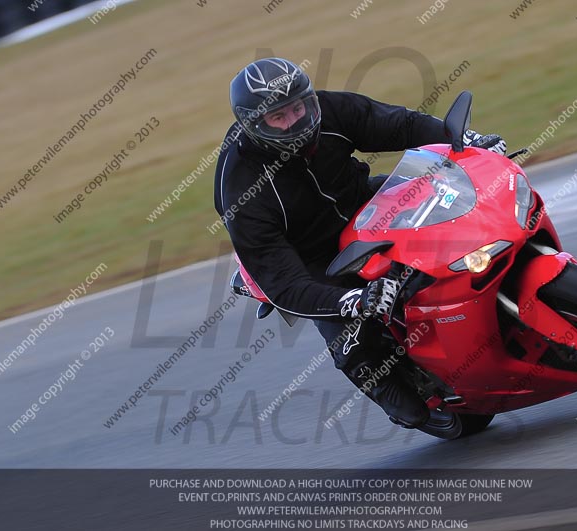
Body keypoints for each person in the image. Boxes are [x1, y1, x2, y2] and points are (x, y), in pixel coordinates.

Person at [214, 57, 506, 428]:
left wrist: (469, 143)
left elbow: (401, 125)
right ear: (255, 125)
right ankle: (377, 377)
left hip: (367, 205)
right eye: (279, 117)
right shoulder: (239, 188)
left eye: (298, 108)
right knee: (363, 341)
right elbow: (283, 284)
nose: (295, 122)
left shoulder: (330, 108)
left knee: (454, 201)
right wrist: (352, 300)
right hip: (311, 256)